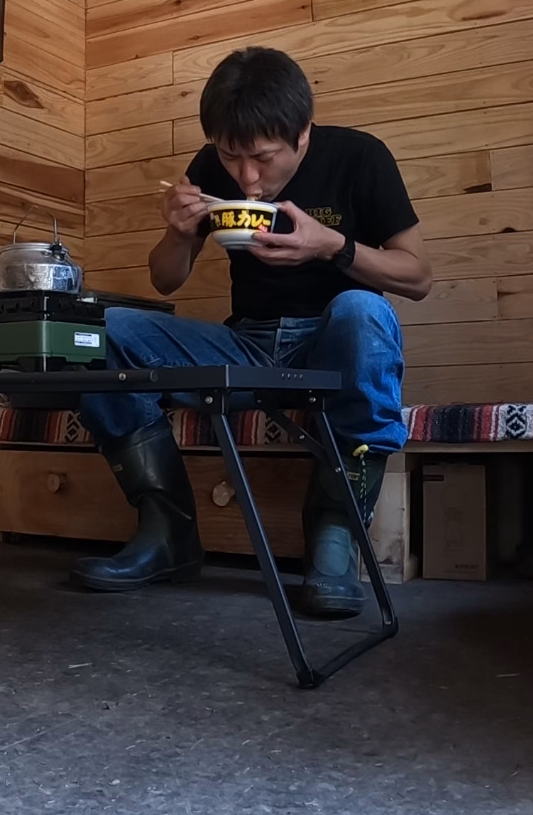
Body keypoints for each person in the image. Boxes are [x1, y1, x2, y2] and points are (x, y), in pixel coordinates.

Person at [74, 47, 431, 618]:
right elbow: (166, 280)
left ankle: (336, 537)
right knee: (105, 331)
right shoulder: (211, 165)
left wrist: (332, 247)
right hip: (247, 345)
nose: (246, 176)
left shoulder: (359, 157)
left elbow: (417, 276)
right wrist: (177, 232)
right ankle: (167, 531)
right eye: (230, 155)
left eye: (263, 158)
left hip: (331, 349)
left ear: (302, 132)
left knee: (362, 310)